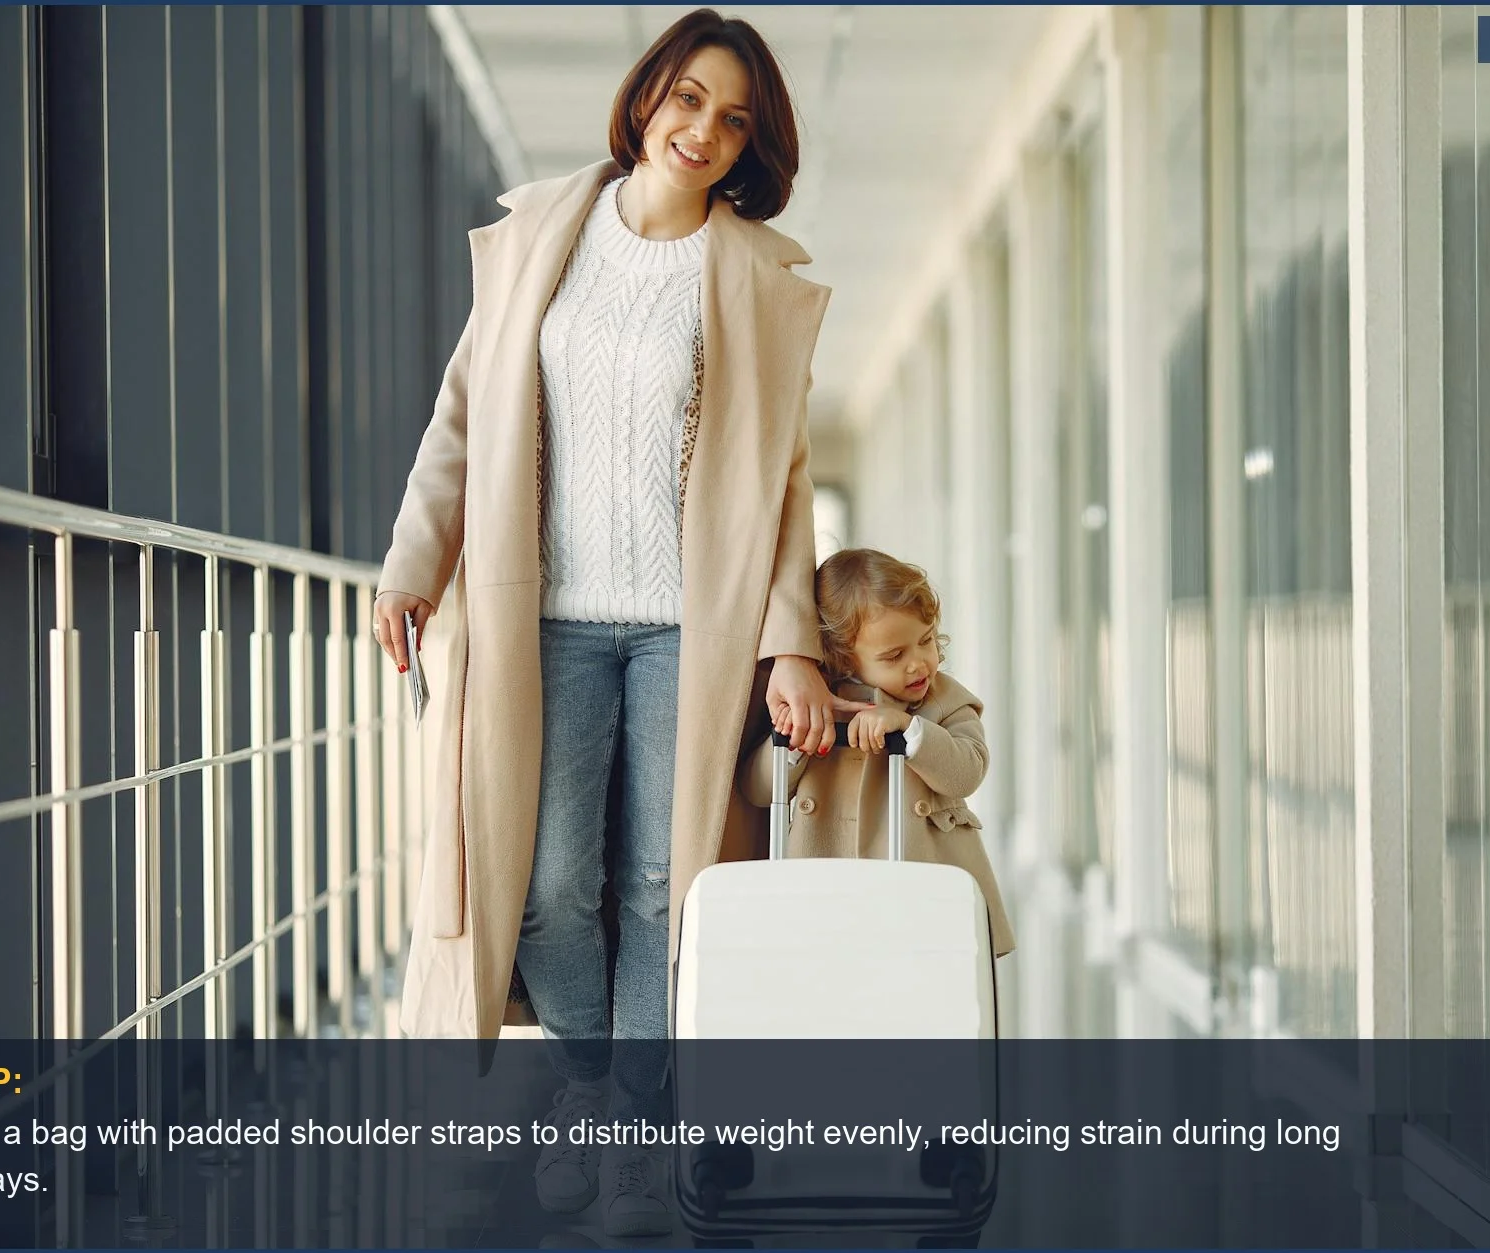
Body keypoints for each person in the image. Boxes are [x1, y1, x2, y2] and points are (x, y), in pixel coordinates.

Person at [370, 8, 866, 1237]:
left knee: (660, 883)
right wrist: (408, 562)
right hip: (536, 620)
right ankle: (585, 1095)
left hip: (683, 633)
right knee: (541, 882)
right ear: (648, 96)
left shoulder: (749, 276)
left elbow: (782, 479)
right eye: (688, 98)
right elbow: (463, 419)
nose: (703, 129)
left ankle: (636, 1138)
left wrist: (788, 639)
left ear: (751, 143)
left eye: (733, 117)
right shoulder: (542, 230)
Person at [740, 549, 1017, 958]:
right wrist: (797, 741)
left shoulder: (947, 703)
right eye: (893, 656)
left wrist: (909, 728)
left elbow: (967, 773)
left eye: (925, 641)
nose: (918, 663)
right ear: (842, 657)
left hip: (925, 892)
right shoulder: (822, 705)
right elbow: (759, 791)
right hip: (828, 890)